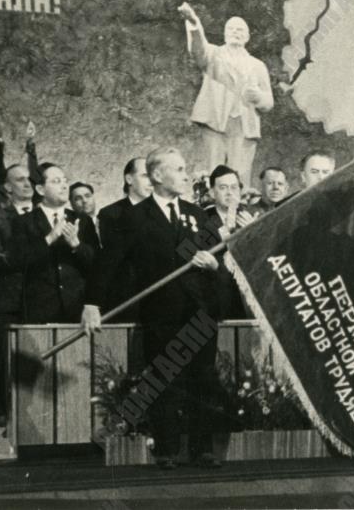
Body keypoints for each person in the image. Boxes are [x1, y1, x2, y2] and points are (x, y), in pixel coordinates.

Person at [83, 147, 224, 470]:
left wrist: (213, 263)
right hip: (161, 312)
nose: (186, 175)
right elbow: (107, 264)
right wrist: (92, 303)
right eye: (179, 169)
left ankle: (202, 450)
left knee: (203, 379)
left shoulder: (198, 214)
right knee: (165, 379)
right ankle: (167, 451)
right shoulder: (134, 218)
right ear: (158, 175)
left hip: (200, 311)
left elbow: (219, 257)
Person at [179, 3, 274, 186]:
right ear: (224, 34)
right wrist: (193, 23)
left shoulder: (257, 66)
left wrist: (258, 97)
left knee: (241, 176)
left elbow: (269, 102)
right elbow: (197, 50)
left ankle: (239, 203)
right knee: (214, 172)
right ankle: (212, 203)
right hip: (216, 120)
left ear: (247, 36)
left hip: (244, 125)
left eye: (240, 30)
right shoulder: (213, 55)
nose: (235, 32)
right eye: (231, 29)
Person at [10, 164, 99, 324]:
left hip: (77, 310)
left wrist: (77, 245)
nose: (64, 186)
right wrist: (49, 238)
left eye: (65, 181)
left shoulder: (83, 220)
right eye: (56, 181)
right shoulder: (23, 222)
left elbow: (97, 263)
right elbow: (18, 261)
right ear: (40, 190)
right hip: (40, 311)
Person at [0, 164, 35, 427]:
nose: (27, 184)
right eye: (20, 179)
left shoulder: (48, 214)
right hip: (12, 300)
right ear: (7, 187)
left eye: (30, 179)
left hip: (45, 299)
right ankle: (12, 415)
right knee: (11, 360)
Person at [96, 157, 152, 321]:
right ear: (129, 179)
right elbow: (114, 257)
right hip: (127, 299)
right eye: (145, 176)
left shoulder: (164, 212)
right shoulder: (111, 214)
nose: (151, 182)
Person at [204, 165, 258, 319]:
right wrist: (226, 230)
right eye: (223, 188)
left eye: (234, 187)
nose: (230, 192)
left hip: (246, 298)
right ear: (212, 192)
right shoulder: (203, 218)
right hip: (216, 295)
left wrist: (253, 233)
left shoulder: (250, 217)